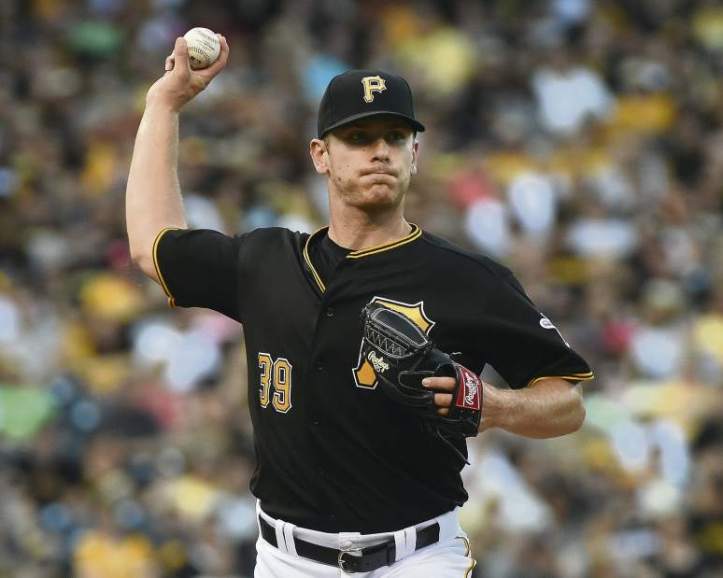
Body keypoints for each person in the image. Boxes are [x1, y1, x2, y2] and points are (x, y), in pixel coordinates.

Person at [126, 36, 594, 577]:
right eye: (358, 137)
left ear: (415, 155)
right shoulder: (266, 263)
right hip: (285, 561)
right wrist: (164, 103)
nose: (380, 151)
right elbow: (151, 244)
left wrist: (495, 406)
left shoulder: (468, 279)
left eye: (395, 137)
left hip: (416, 558)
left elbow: (568, 403)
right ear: (320, 156)